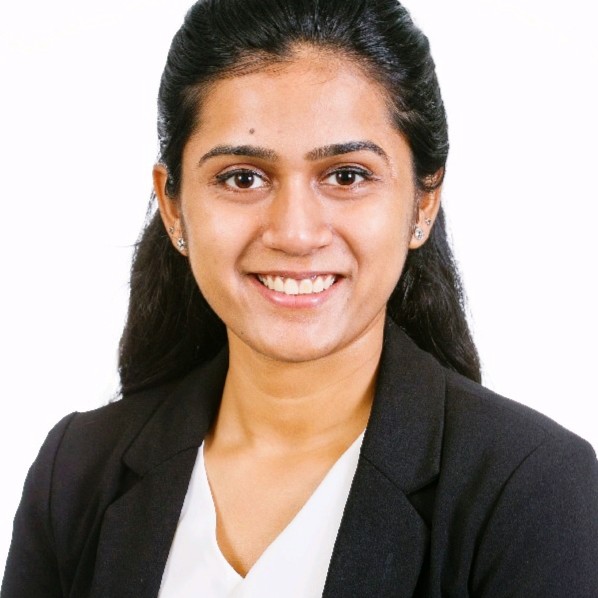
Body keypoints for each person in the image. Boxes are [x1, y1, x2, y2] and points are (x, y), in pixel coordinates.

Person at [2, 0, 597, 596]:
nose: (294, 233)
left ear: (423, 203)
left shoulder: (533, 490)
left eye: (347, 175)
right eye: (242, 177)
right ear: (173, 206)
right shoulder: (76, 473)